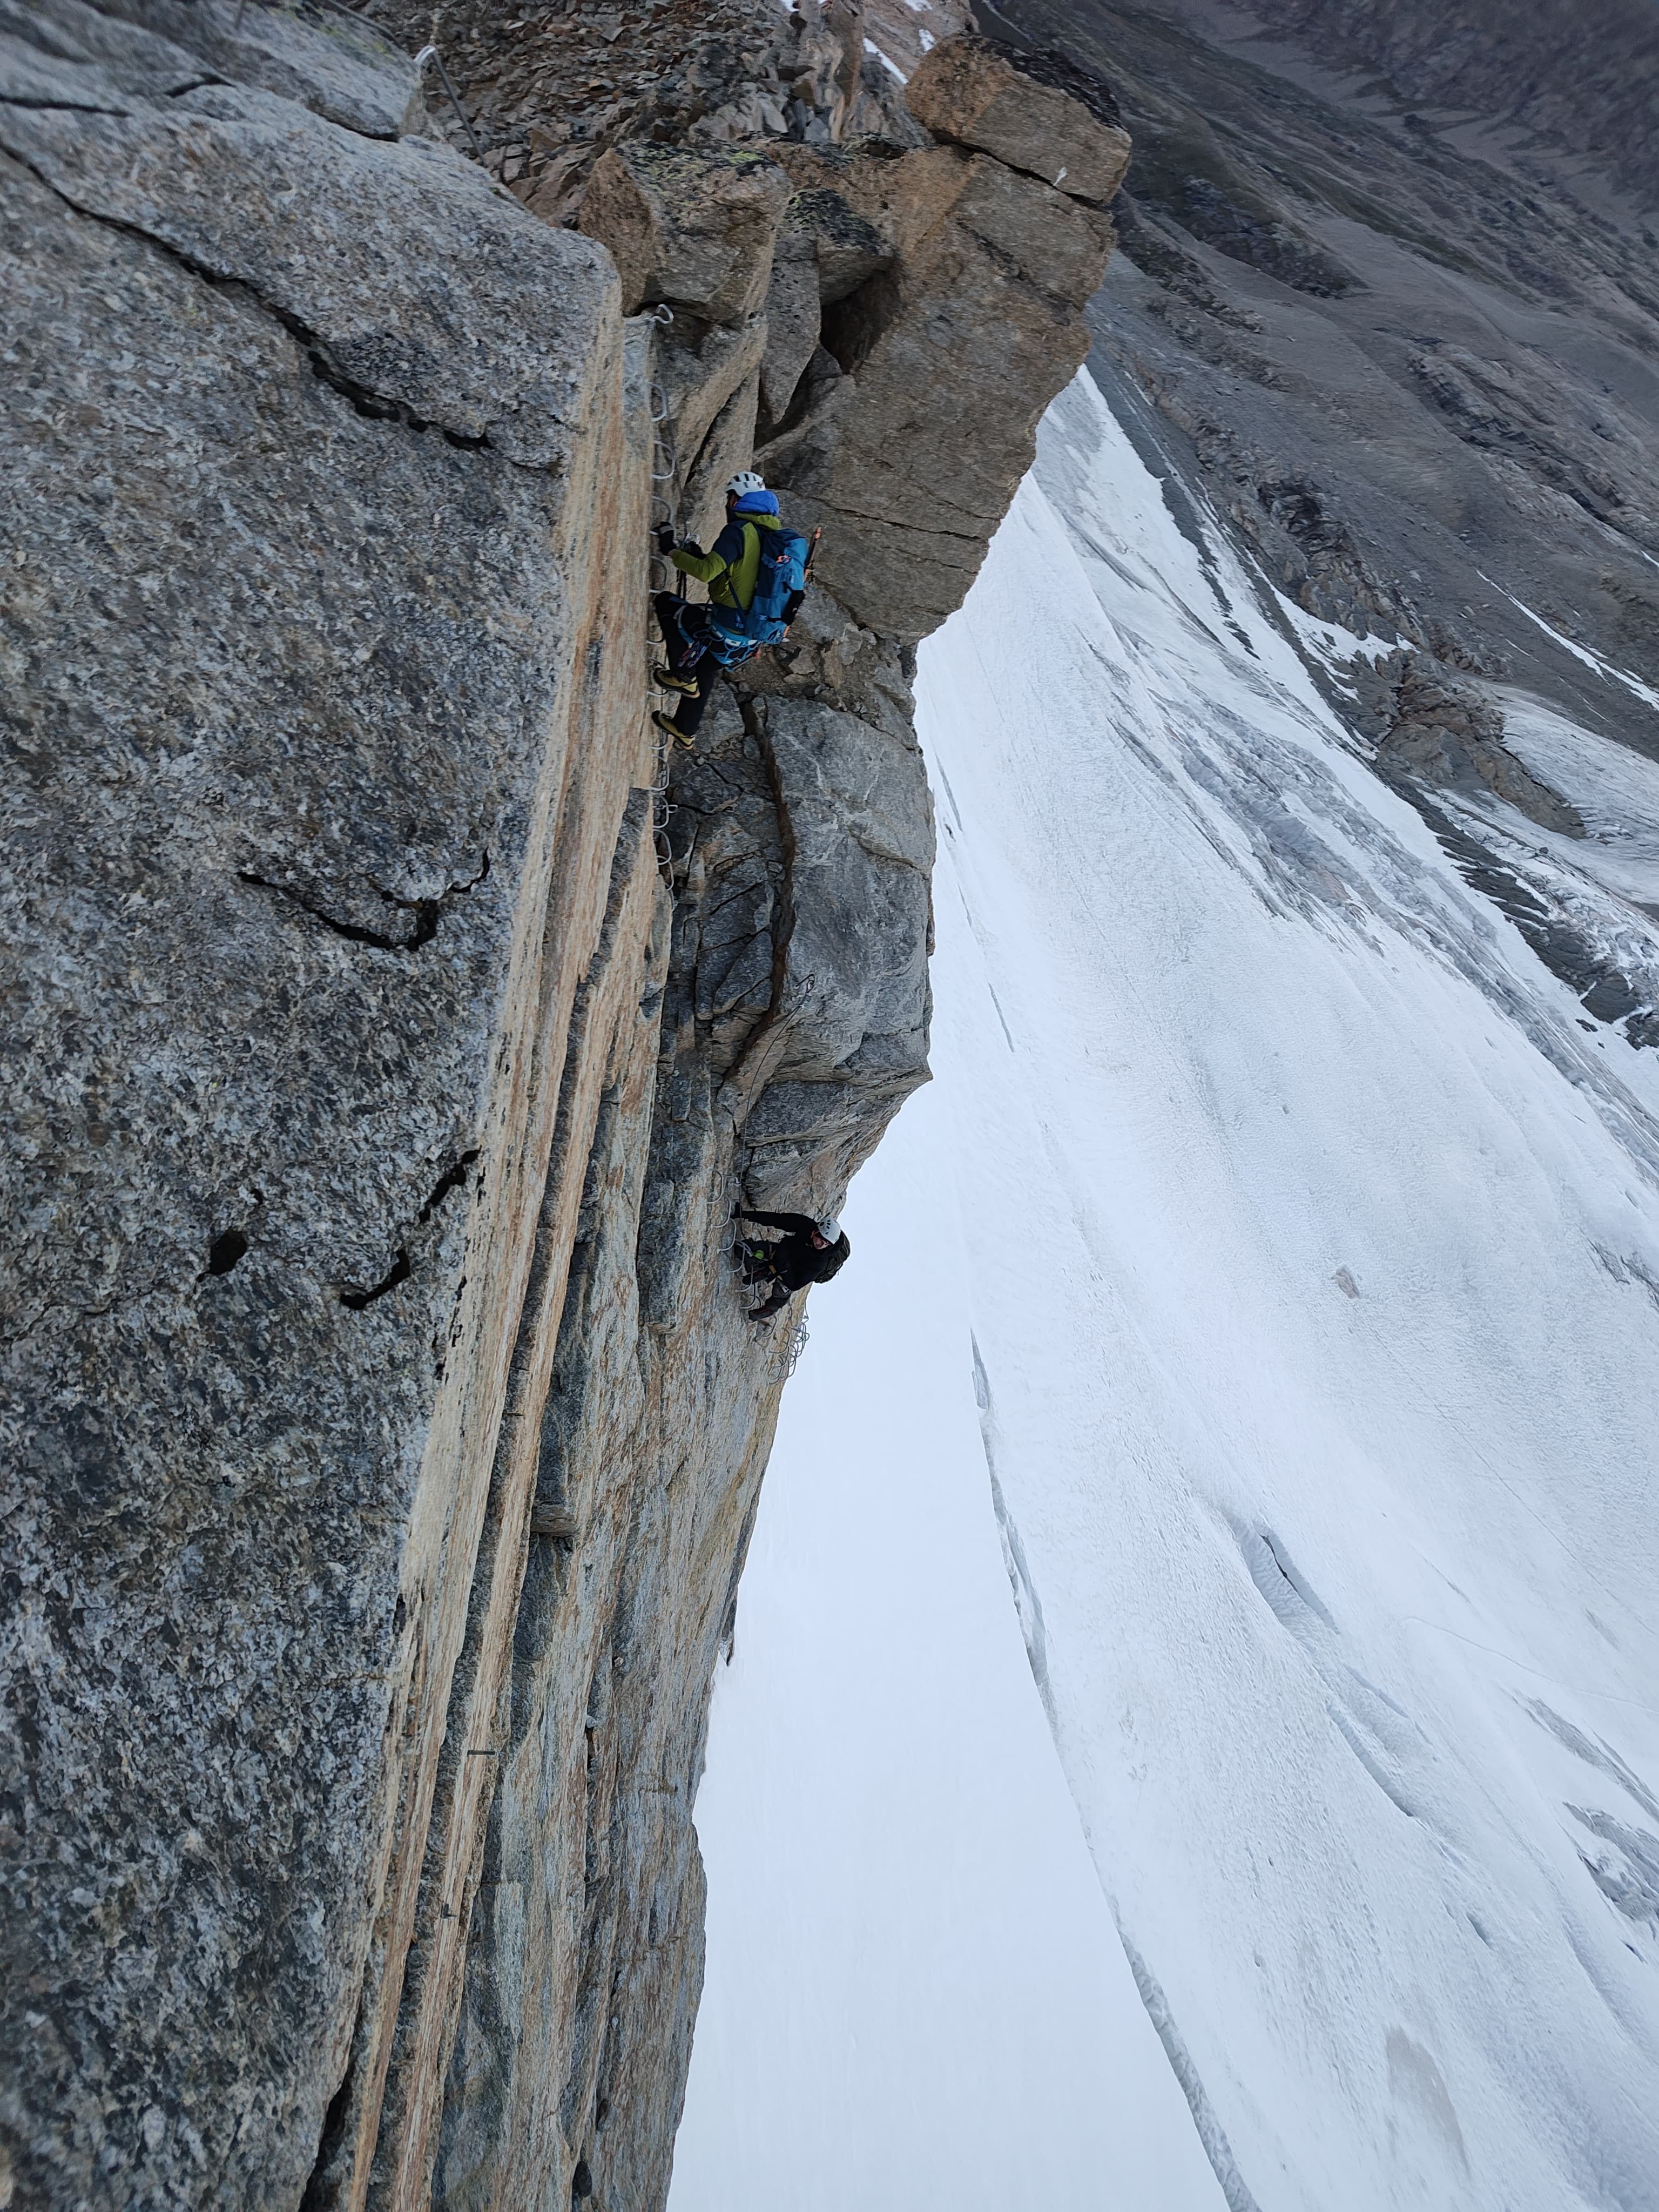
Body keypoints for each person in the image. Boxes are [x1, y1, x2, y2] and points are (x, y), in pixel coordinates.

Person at [652, 471, 787, 746]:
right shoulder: (775, 537)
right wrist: (698, 556)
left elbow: (706, 573)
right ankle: (685, 729)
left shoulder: (739, 531)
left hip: (726, 630)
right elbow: (736, 577)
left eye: (729, 499)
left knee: (668, 606)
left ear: (736, 501)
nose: (727, 505)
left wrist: (671, 551)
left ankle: (682, 674)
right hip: (752, 638)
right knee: (707, 666)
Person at [734, 1207, 851, 1322]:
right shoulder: (806, 1226)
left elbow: (796, 1285)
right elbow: (776, 1220)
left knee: (781, 1293)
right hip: (781, 1256)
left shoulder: (820, 1263)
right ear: (816, 1231)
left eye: (827, 1243)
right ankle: (764, 1270)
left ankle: (767, 1308)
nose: (822, 1245)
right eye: (821, 1239)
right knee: (742, 1250)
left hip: (792, 1275)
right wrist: (744, 1214)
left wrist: (779, 1268)